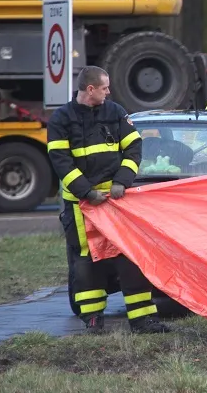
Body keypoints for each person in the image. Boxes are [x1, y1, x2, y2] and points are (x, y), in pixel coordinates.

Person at [46, 66, 170, 334]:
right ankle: (92, 319)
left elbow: (134, 148)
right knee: (86, 260)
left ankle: (142, 320)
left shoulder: (115, 112)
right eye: (105, 87)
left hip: (116, 202)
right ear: (90, 89)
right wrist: (86, 192)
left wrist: (121, 182)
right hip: (81, 205)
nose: (109, 92)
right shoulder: (61, 120)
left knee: (129, 256)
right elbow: (60, 162)